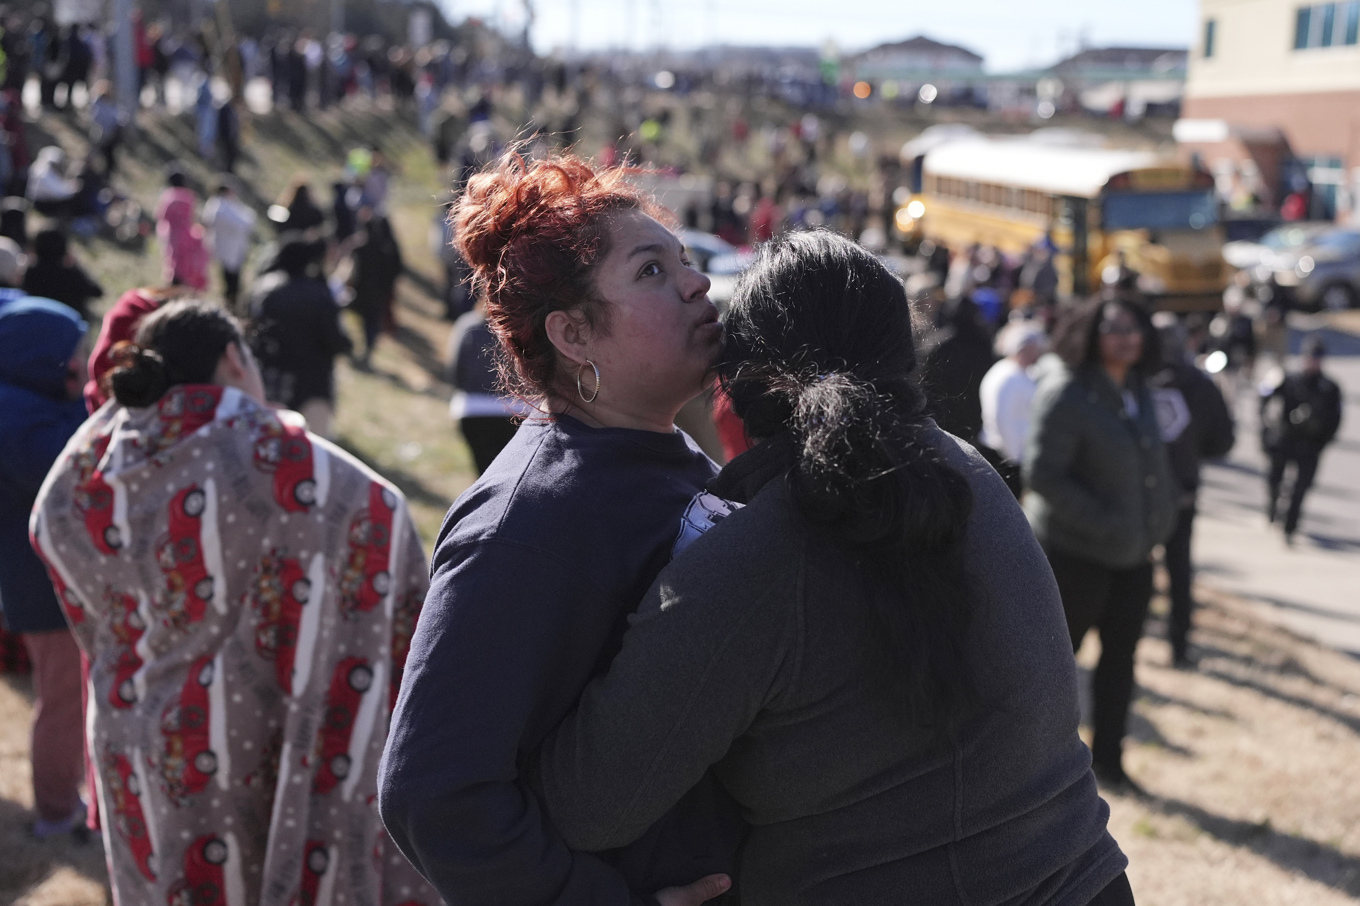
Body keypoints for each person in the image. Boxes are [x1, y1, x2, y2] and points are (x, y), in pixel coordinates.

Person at [531, 231, 1135, 906]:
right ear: (904, 353)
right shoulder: (969, 476)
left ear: (741, 382)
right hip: (1091, 884)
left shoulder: (751, 558)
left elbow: (591, 803)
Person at [378, 151, 743, 905]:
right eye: (651, 271)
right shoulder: (528, 523)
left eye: (684, 260)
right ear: (575, 334)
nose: (697, 281)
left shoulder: (664, 454)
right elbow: (433, 794)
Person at [29, 299, 439, 906]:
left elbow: (49, 522)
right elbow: (386, 538)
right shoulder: (312, 474)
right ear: (233, 359)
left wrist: (119, 631)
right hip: (278, 738)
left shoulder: (100, 466)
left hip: (144, 742)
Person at [1023, 294, 1177, 793]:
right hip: (1076, 556)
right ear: (1089, 334)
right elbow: (1044, 476)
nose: (1126, 338)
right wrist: (1106, 523)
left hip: (1133, 556)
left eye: (1135, 328)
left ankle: (1109, 763)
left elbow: (1151, 466)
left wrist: (1158, 520)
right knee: (1055, 668)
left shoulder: (1138, 387)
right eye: (1114, 328)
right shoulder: (1067, 391)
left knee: (1120, 665)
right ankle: (1032, 769)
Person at [0, 296, 90, 840]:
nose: (83, 366)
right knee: (60, 702)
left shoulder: (24, 403)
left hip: (49, 581)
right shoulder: (16, 416)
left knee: (67, 698)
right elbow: (59, 465)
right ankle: (56, 813)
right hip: (42, 586)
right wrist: (91, 407)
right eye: (74, 356)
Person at [1148, 314, 1235, 667]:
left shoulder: (1133, 379)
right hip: (1178, 492)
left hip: (1142, 494)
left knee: (1134, 570)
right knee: (1178, 570)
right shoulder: (1199, 383)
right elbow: (1223, 440)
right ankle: (1178, 647)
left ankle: (1136, 644)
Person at [249, 237, 352, 437]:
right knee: (312, 447)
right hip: (312, 383)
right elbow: (338, 341)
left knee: (267, 442)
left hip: (269, 378)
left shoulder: (262, 289)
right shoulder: (319, 294)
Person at [1260, 335, 1343, 545]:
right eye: (1309, 357)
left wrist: (1322, 440)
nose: (1312, 361)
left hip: (1310, 445)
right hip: (1285, 439)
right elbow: (1265, 399)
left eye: (1317, 357)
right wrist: (1267, 430)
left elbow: (1335, 419)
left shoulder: (1329, 387)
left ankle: (1290, 526)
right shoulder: (1289, 379)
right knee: (1275, 481)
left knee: (1300, 489)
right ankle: (1272, 510)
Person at [445, 300, 527, 473]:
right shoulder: (525, 329)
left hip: (473, 410)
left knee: (485, 473)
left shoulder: (469, 325)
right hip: (518, 411)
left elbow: (455, 370)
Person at [979, 319, 1047, 464]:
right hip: (1005, 456)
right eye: (1030, 349)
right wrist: (1015, 457)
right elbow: (1002, 418)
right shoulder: (1008, 377)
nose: (1035, 354)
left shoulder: (1019, 372)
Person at [347, 206, 403, 367]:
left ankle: (363, 351)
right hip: (379, 293)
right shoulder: (385, 248)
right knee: (372, 322)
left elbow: (351, 271)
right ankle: (368, 349)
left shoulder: (359, 249)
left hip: (361, 292)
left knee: (365, 321)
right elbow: (394, 269)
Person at [21, 227, 104, 319]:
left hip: (34, 322)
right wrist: (76, 265)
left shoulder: (30, 273)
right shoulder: (72, 275)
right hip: (67, 326)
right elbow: (97, 292)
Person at [200, 179, 256, 312]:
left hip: (225, 247)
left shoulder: (215, 205)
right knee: (232, 281)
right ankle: (231, 306)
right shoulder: (223, 207)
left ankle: (231, 304)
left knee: (229, 279)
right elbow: (246, 222)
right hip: (231, 248)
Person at [154, 169, 208, 289]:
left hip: (173, 234)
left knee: (173, 262)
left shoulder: (168, 195)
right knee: (186, 264)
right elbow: (192, 217)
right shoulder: (188, 195)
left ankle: (173, 289)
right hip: (187, 234)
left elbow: (161, 215)